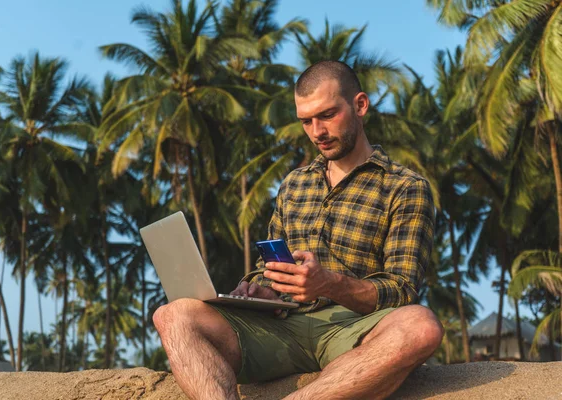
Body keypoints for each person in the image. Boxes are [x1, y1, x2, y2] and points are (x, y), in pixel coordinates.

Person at [152, 60, 443, 400]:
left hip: (354, 330)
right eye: (306, 121)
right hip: (280, 328)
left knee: (421, 326)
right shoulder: (294, 184)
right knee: (172, 315)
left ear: (360, 105)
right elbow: (270, 267)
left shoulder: (405, 186)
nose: (317, 131)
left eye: (328, 115)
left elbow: (403, 289)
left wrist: (329, 283)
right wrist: (260, 291)